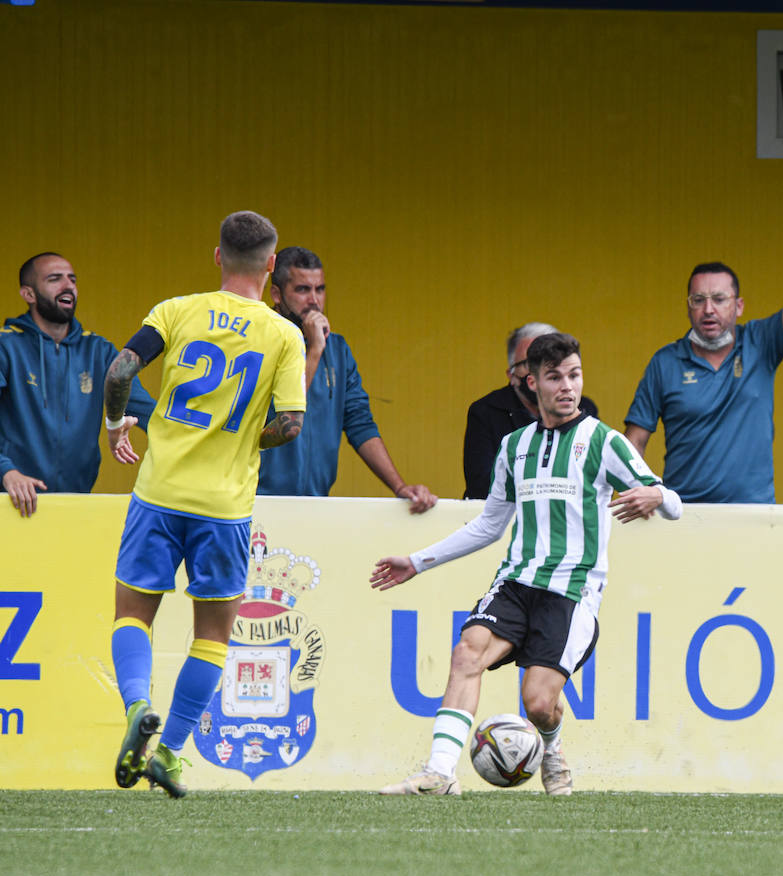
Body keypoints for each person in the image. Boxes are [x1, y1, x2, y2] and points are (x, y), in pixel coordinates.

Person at [371, 332, 681, 796]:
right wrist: (417, 562)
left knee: (538, 704)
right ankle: (439, 773)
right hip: (517, 581)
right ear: (531, 382)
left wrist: (656, 493)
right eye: (554, 377)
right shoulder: (514, 447)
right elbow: (489, 526)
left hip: (572, 591)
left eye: (574, 375)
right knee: (466, 652)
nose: (567, 387)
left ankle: (552, 748)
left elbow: (673, 502)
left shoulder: (604, 441)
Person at [103, 211, 308, 798]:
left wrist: (117, 422)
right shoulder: (284, 334)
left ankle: (138, 705)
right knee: (213, 636)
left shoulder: (176, 310)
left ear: (217, 256)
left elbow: (121, 368)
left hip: (159, 493)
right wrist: (246, 437)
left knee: (133, 615)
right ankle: (170, 752)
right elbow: (290, 424)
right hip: (225, 506)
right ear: (272, 266)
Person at [625, 181, 783, 504]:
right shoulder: (665, 363)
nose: (708, 309)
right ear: (688, 307)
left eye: (719, 299)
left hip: (754, 519)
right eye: (698, 299)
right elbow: (633, 443)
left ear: (738, 306)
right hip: (683, 519)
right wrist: (648, 497)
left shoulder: (762, 342)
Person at [256, 246, 435, 513]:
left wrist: (399, 487)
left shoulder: (337, 349)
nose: (314, 300)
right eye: (303, 289)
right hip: (258, 503)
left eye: (320, 289)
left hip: (317, 505)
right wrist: (314, 350)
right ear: (276, 294)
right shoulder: (258, 340)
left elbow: (359, 424)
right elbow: (275, 415)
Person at [0, 252, 156, 517]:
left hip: (76, 505)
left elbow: (153, 415)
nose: (68, 285)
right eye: (54, 279)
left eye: (72, 279)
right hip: (9, 505)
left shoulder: (100, 351)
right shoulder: (6, 346)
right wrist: (6, 472)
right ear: (28, 294)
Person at [462, 322, 599, 499]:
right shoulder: (485, 412)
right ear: (512, 375)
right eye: (530, 362)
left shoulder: (584, 410)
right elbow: (482, 487)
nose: (542, 368)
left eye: (552, 362)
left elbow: (596, 479)